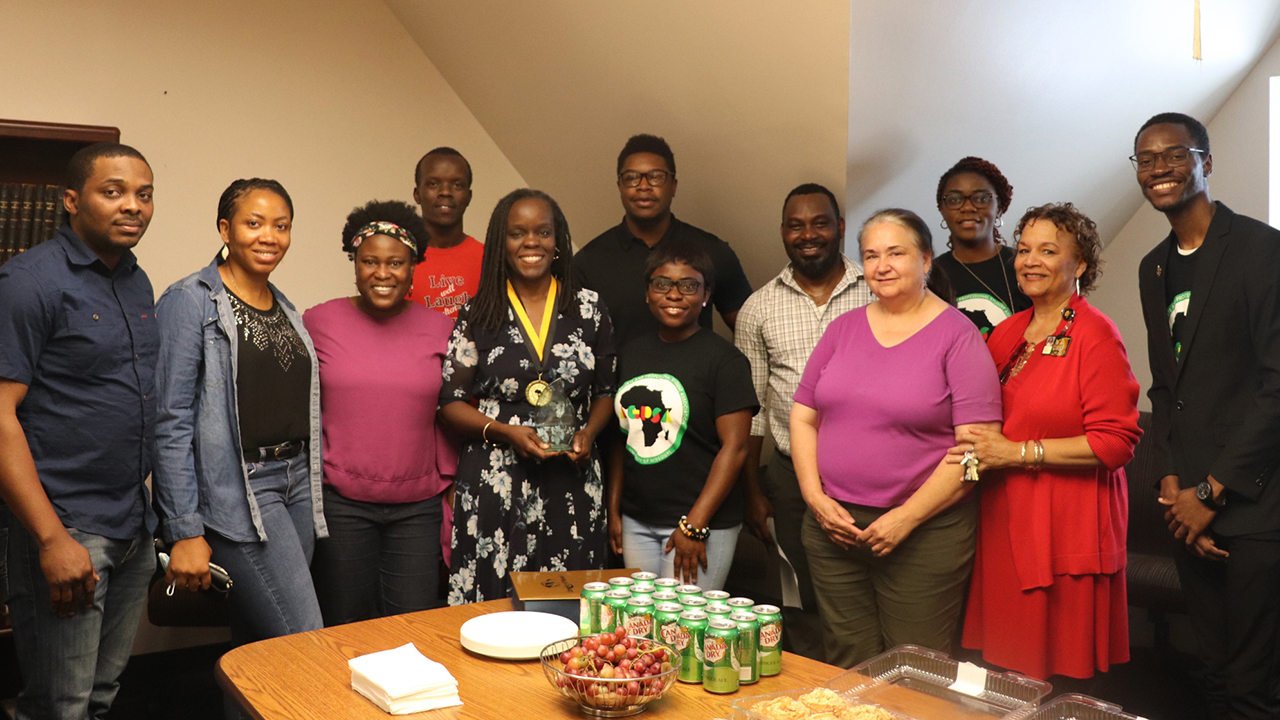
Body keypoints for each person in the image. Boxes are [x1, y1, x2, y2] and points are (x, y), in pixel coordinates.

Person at [790, 208, 1002, 668]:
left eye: (896, 253)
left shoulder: (959, 337)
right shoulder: (842, 329)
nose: (881, 266)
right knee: (846, 663)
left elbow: (975, 454)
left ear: (926, 261)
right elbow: (804, 417)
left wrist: (905, 518)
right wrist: (814, 497)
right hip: (834, 529)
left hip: (924, 534)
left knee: (913, 671)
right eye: (870, 255)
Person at [0, 143, 158, 720]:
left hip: (132, 526)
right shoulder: (29, 281)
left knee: (99, 698)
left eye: (143, 194)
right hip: (68, 527)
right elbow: (0, 417)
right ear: (71, 200)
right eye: (112, 191)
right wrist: (50, 539)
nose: (132, 207)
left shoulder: (136, 282)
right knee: (57, 706)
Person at [954, 203, 1141, 680]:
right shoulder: (1008, 332)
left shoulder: (1097, 336)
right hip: (1003, 516)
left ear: (1078, 265)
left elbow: (1115, 442)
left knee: (1050, 674)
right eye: (1023, 250)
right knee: (1000, 665)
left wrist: (1018, 453)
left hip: (1065, 523)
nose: (1029, 261)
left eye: (1047, 251)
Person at [1135, 112, 1280, 720]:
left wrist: (1212, 490)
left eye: (1175, 154)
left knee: (1252, 688)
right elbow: (1165, 388)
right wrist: (1172, 482)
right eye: (1146, 159)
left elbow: (1277, 383)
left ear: (1206, 162)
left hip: (1252, 505)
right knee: (1212, 675)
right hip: (1188, 512)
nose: (1160, 168)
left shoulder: (1261, 249)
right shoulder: (1154, 267)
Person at [155, 178, 326, 651]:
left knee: (259, 650)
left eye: (281, 225)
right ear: (225, 229)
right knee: (304, 643)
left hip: (297, 486)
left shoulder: (284, 306)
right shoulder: (189, 301)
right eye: (254, 223)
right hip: (241, 491)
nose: (269, 236)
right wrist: (184, 528)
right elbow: (169, 423)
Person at [439, 188, 616, 605]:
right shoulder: (477, 312)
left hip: (571, 479)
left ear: (558, 241)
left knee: (568, 610)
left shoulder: (589, 309)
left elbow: (606, 391)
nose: (531, 242)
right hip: (495, 478)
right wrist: (506, 432)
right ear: (502, 243)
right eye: (517, 233)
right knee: (494, 607)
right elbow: (450, 403)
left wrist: (589, 432)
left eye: (543, 232)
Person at [733, 183, 872, 660]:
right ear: (782, 233)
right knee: (798, 597)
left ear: (840, 229)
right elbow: (750, 412)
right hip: (791, 480)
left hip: (871, 474)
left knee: (866, 593)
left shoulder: (878, 290)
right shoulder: (758, 308)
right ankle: (815, 695)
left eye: (819, 223)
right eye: (796, 225)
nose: (808, 234)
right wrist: (753, 491)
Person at [304, 200, 455, 624]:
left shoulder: (442, 328)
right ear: (355, 264)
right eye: (370, 261)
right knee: (343, 624)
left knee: (414, 627)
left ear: (413, 267)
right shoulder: (318, 322)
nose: (383, 273)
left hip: (417, 509)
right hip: (342, 506)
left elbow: (456, 411)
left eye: (396, 263)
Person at [608, 241, 758, 590]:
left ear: (706, 295)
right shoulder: (629, 354)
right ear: (647, 293)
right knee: (643, 627)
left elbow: (735, 449)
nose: (674, 294)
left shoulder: (726, 361)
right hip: (637, 521)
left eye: (689, 285)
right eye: (662, 284)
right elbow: (620, 438)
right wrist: (614, 510)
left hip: (703, 524)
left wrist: (694, 526)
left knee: (685, 631)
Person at [574, 133, 753, 347]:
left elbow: (750, 332)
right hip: (620, 380)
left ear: (674, 185)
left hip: (697, 379)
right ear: (620, 186)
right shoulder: (588, 261)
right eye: (632, 177)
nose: (643, 186)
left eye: (656, 177)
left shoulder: (713, 251)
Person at [932, 157, 1030, 338]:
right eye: (954, 199)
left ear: (999, 207)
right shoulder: (929, 277)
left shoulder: (1026, 265)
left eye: (981, 198)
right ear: (942, 209)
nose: (968, 207)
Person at [407, 147, 484, 319]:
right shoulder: (399, 260)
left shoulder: (490, 259)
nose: (446, 192)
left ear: (469, 196)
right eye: (433, 183)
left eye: (457, 185)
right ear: (417, 194)